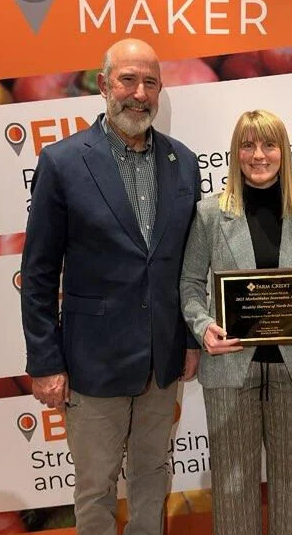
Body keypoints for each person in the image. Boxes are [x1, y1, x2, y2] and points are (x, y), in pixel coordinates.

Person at [21, 38, 201, 535]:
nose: (139, 93)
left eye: (150, 83)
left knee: (152, 477)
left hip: (161, 360)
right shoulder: (62, 162)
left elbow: (190, 264)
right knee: (96, 487)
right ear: (103, 85)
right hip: (91, 363)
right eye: (128, 80)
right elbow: (38, 273)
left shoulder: (184, 162)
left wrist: (189, 339)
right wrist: (46, 362)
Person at [180, 109, 292, 535]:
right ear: (236, 153)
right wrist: (202, 327)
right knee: (232, 493)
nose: (258, 155)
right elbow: (190, 283)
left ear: (284, 152)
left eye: (269, 145)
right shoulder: (210, 214)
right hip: (230, 369)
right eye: (247, 145)